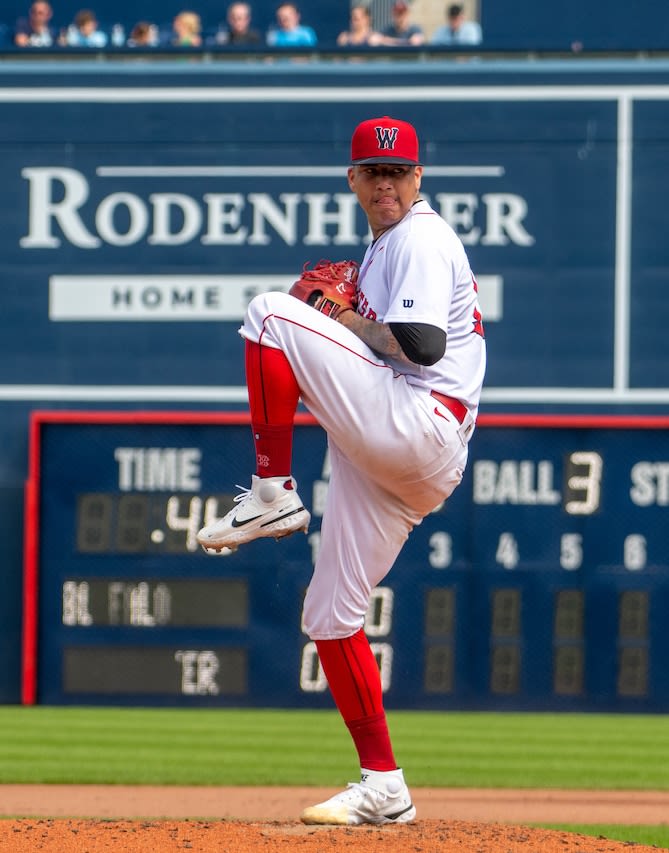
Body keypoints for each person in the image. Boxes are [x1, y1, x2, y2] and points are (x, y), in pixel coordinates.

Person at [196, 115, 486, 826]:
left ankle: (272, 490)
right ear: (352, 180)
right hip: (402, 454)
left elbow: (419, 344)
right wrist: (344, 316)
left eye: (398, 171)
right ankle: (384, 785)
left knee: (270, 314)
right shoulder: (384, 243)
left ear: (419, 178)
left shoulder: (419, 234)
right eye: (373, 171)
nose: (386, 182)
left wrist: (340, 318)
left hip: (418, 418)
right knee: (331, 613)